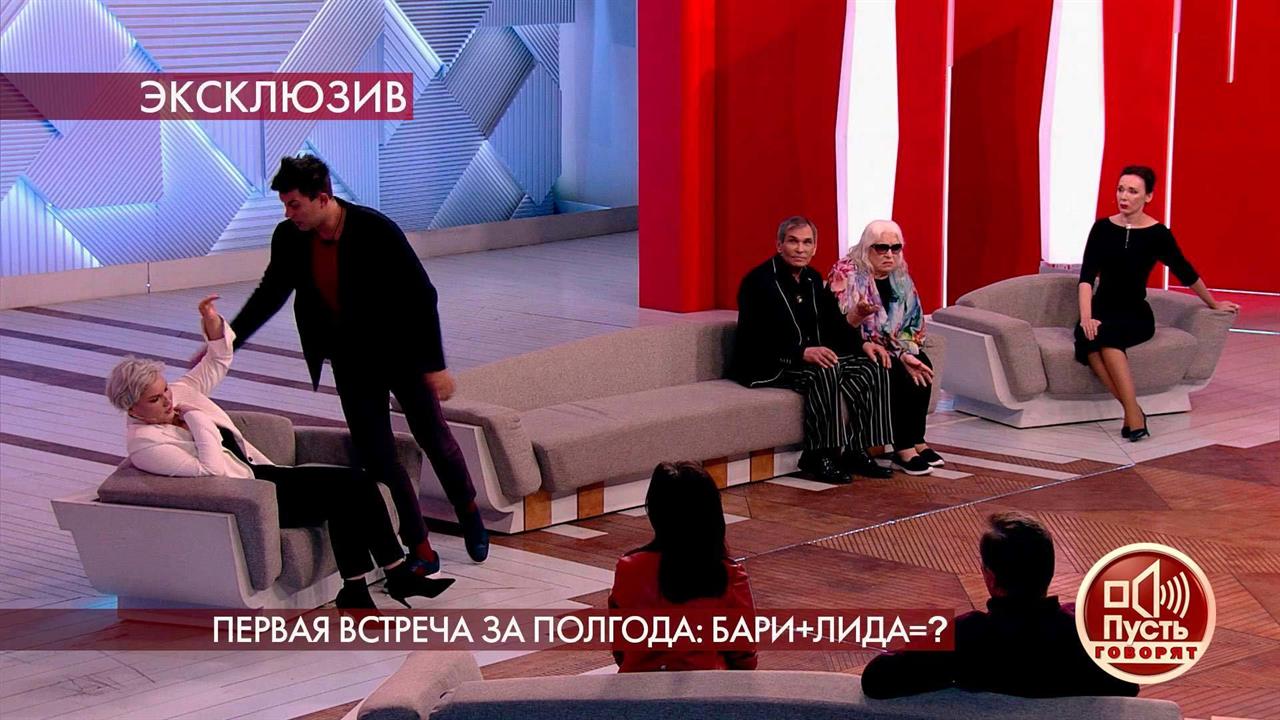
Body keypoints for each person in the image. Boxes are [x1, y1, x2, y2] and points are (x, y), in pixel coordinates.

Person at [105, 296, 455, 609]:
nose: (168, 400)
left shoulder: (181, 393)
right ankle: (388, 579)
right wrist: (197, 419)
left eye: (165, 390)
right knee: (350, 490)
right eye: (155, 399)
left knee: (354, 486)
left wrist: (212, 325)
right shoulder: (146, 445)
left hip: (264, 474)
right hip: (248, 494)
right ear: (131, 408)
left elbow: (217, 360)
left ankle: (361, 588)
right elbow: (211, 472)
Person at [228, 155, 488, 576]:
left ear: (322, 198)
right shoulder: (290, 237)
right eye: (285, 205)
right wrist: (228, 339)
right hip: (351, 362)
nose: (288, 214)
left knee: (433, 437)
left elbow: (422, 295)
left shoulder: (374, 229)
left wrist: (435, 364)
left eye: (294, 204)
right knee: (379, 456)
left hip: (401, 353)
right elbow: (271, 292)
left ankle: (468, 509)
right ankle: (420, 548)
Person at [860, 512, 1139, 699]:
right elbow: (1126, 686)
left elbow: (876, 679)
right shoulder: (1087, 631)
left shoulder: (968, 635)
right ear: (1049, 570)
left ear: (991, 578)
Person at [1076, 165, 1239, 441]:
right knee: (1088, 339)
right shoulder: (1102, 228)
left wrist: (1213, 303)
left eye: (1132, 191)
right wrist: (1086, 316)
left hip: (1135, 313)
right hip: (1101, 308)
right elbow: (1086, 278)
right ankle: (1133, 411)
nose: (1123, 196)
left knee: (1108, 339)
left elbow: (1185, 271)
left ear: (1148, 196)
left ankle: (1133, 415)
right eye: (1120, 189)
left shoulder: (1157, 234)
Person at [730, 215, 894, 484]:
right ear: (779, 245)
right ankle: (819, 455)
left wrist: (863, 344)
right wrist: (801, 353)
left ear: (815, 247)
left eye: (807, 243)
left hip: (807, 359)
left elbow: (833, 323)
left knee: (870, 368)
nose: (800, 249)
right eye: (793, 242)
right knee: (825, 370)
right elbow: (755, 337)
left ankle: (857, 450)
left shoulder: (812, 279)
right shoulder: (758, 282)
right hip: (767, 363)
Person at [608, 462, 758, 672]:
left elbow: (620, 649)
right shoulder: (728, 573)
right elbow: (744, 657)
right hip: (708, 688)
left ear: (656, 512)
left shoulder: (628, 568)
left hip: (637, 687)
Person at [829, 220, 943, 476]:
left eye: (895, 248)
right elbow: (838, 325)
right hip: (856, 345)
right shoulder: (846, 273)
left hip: (893, 346)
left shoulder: (901, 277)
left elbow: (914, 322)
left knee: (922, 363)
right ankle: (903, 448)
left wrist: (905, 351)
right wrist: (896, 354)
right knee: (894, 369)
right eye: (881, 248)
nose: (889, 254)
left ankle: (918, 439)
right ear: (866, 247)